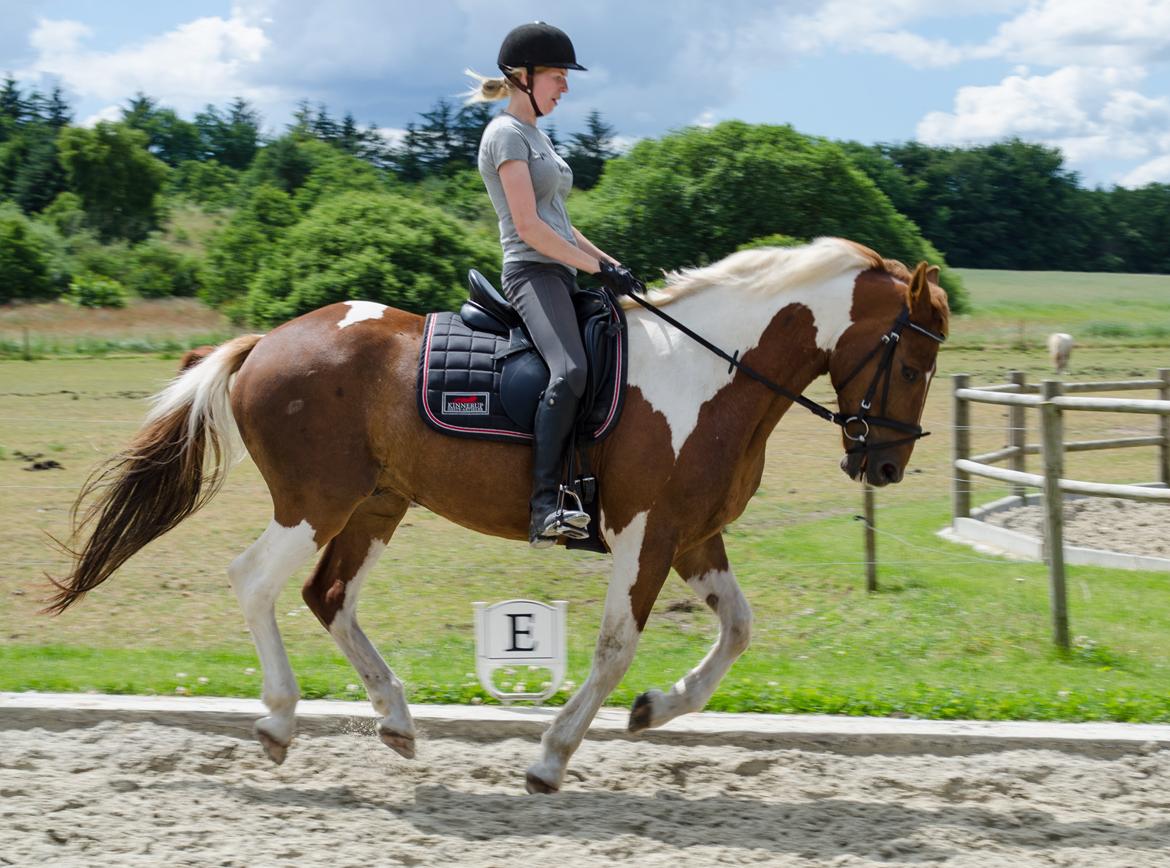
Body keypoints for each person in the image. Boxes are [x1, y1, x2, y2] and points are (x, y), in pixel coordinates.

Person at [468, 21, 643, 548]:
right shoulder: (504, 134)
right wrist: (592, 269)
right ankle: (546, 503)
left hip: (561, 267)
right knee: (569, 371)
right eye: (557, 75)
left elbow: (563, 224)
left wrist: (610, 264)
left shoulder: (537, 135)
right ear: (522, 78)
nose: (565, 85)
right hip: (531, 272)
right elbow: (529, 228)